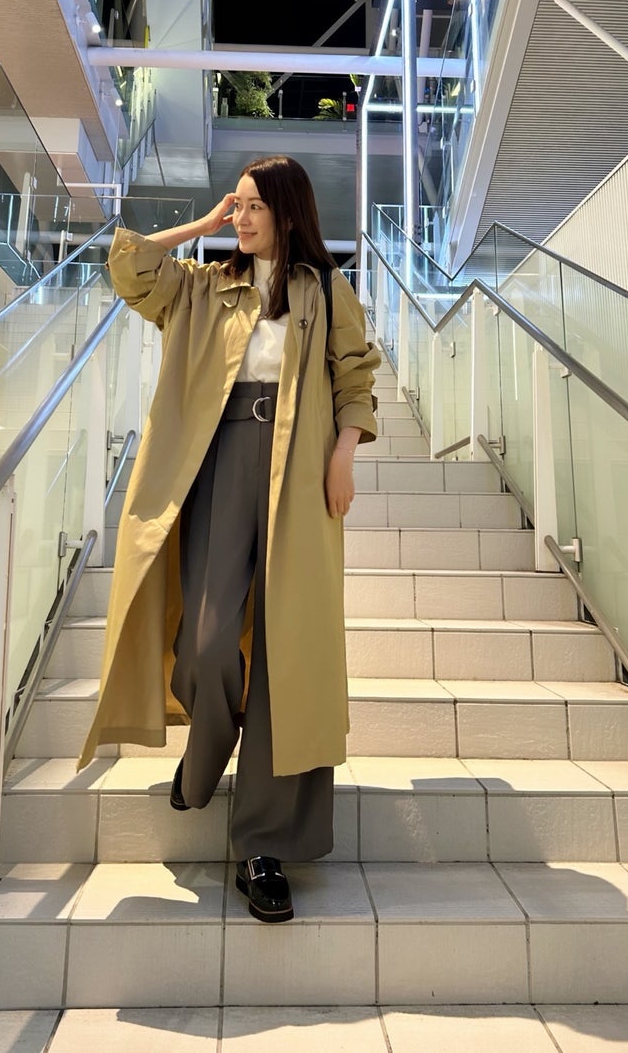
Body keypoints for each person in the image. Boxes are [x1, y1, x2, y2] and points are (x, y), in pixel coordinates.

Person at [78, 155, 380, 922]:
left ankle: (263, 847)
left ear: (287, 212)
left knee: (286, 653)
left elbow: (355, 377)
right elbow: (130, 267)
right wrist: (202, 225)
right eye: (234, 206)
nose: (239, 218)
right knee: (208, 642)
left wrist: (344, 456)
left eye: (251, 207)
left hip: (300, 472)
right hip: (217, 460)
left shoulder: (325, 291)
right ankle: (208, 748)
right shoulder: (205, 286)